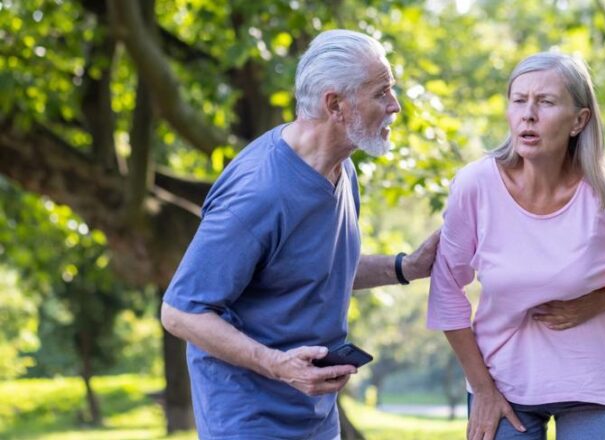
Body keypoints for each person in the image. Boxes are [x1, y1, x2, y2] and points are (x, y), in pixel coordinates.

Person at [427, 52, 605, 440]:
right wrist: (481, 387)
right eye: (519, 100)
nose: (528, 115)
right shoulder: (476, 185)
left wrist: (602, 301)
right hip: (500, 381)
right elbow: (447, 287)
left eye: (546, 102)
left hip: (591, 382)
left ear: (579, 120)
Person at [160, 29, 440, 440]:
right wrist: (277, 365)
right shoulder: (259, 193)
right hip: (248, 420)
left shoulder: (342, 168)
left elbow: (316, 268)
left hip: (313, 416)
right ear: (335, 105)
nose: (394, 106)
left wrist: (406, 267)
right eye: (381, 93)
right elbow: (181, 311)